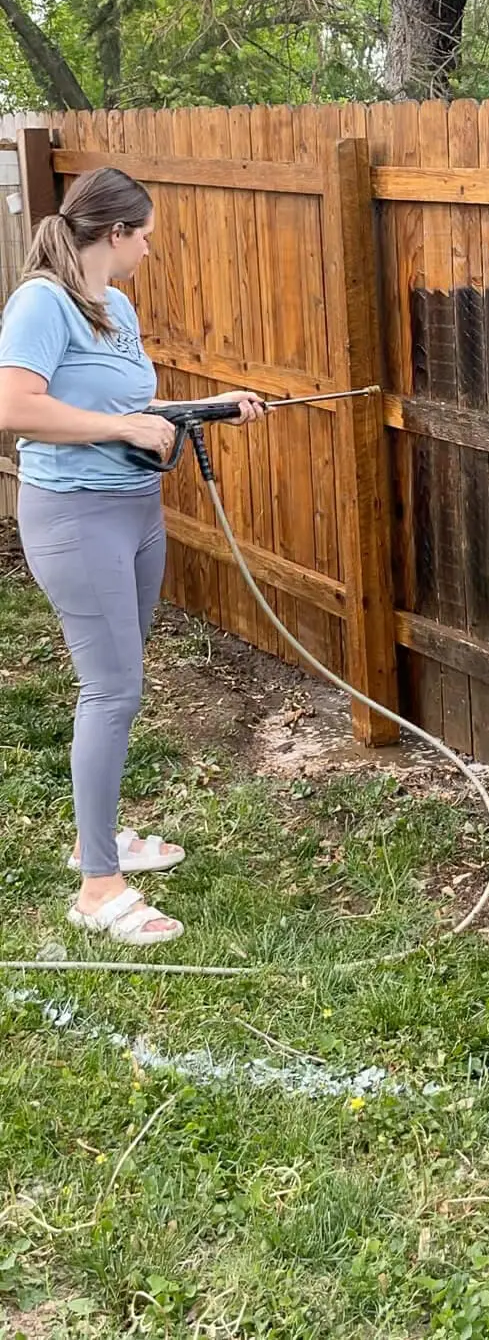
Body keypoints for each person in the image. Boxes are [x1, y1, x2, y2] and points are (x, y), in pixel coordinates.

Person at [0, 167, 265, 947]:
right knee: (111, 688)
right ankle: (98, 887)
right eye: (143, 232)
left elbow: (122, 406)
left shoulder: (115, 306)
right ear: (113, 233)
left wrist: (206, 408)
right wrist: (122, 431)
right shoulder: (41, 302)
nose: (150, 245)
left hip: (135, 513)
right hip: (75, 517)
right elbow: (15, 407)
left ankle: (97, 837)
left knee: (123, 676)